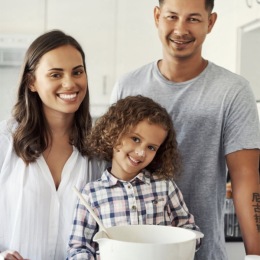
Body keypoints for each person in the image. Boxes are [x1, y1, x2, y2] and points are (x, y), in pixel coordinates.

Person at [110, 0, 260, 259]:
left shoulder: (233, 91)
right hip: (133, 252)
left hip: (205, 253)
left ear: (210, 23)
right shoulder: (128, 85)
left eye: (193, 19)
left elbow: (245, 176)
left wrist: (255, 255)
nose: (180, 29)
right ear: (157, 16)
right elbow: (109, 170)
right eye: (172, 17)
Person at [0, 30, 105, 260]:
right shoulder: (4, 140)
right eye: (56, 75)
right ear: (32, 82)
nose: (70, 83)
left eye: (77, 72)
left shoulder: (98, 149)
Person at [67, 95, 201, 259]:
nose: (141, 152)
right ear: (114, 132)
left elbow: (189, 229)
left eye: (151, 147)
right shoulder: (91, 194)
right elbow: (78, 248)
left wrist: (178, 245)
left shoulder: (164, 186)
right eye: (135, 139)